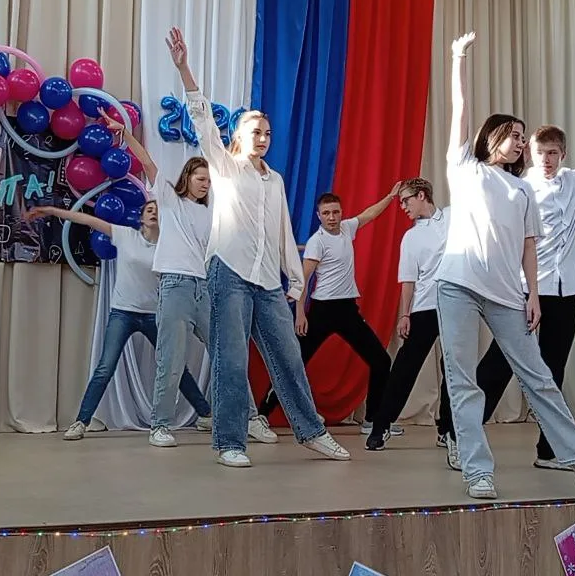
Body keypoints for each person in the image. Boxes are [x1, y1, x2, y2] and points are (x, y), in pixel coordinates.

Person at [434, 113, 575, 469]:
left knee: (552, 370)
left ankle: (549, 450)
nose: (547, 159)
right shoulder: (518, 187)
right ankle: (459, 433)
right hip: (526, 291)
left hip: (566, 291)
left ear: (563, 154)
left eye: (553, 153)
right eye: (540, 152)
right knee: (500, 364)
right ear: (531, 153)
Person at [435, 31, 575, 500]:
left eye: (520, 138)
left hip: (508, 293)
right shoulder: (464, 167)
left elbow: (530, 245)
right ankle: (478, 471)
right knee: (463, 381)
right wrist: (458, 58)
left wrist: (533, 294)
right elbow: (459, 109)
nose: (519, 143)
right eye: (513, 135)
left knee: (539, 377)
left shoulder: (523, 189)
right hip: (456, 286)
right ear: (492, 137)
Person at [170, 26, 349, 468]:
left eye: (267, 132)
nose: (263, 137)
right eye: (255, 130)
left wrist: (296, 282)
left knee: (288, 357)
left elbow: (284, 232)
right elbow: (203, 122)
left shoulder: (276, 181)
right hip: (228, 273)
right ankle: (229, 442)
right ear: (239, 135)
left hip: (268, 280)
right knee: (231, 361)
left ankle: (312, 432)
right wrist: (185, 70)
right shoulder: (226, 167)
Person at [106, 117, 279, 448]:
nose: (205, 185)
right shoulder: (169, 200)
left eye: (209, 181)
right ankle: (160, 425)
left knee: (229, 354)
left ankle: (249, 418)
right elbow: (147, 162)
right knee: (171, 358)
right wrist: (125, 133)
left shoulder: (213, 211)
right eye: (201, 179)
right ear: (187, 178)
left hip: (205, 289)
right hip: (175, 287)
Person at [28, 201, 212, 441]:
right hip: (123, 313)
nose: (154, 213)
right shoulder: (125, 236)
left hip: (155, 314)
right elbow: (87, 220)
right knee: (105, 367)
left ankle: (205, 414)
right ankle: (81, 422)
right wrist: (52, 211)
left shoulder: (169, 247)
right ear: (141, 218)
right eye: (149, 210)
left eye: (158, 210)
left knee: (174, 366)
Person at [257, 187, 400, 434]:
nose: (332, 217)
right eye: (326, 213)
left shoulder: (347, 229)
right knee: (293, 364)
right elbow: (303, 279)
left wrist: (390, 197)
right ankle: (262, 414)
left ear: (341, 213)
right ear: (319, 216)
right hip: (322, 311)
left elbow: (369, 214)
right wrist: (300, 313)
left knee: (381, 360)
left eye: (335, 212)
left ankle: (372, 420)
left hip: (347, 310)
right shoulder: (317, 242)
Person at [363, 178, 456, 462]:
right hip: (425, 306)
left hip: (456, 304)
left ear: (422, 195)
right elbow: (408, 280)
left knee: (453, 368)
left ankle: (447, 429)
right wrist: (405, 314)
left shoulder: (453, 217)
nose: (402, 206)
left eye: (406, 200)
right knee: (406, 367)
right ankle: (381, 425)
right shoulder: (411, 237)